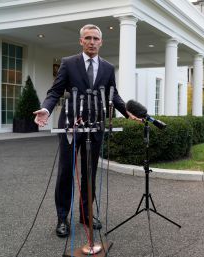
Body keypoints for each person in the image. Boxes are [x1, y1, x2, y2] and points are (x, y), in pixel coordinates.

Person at [34, 24, 139, 237]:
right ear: (81, 41)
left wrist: (126, 111)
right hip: (71, 127)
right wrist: (46, 108)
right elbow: (55, 91)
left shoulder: (108, 68)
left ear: (101, 42)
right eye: (88, 38)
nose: (92, 42)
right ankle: (62, 218)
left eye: (96, 39)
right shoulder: (68, 63)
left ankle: (85, 214)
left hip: (95, 127)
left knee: (90, 172)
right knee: (66, 172)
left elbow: (113, 95)